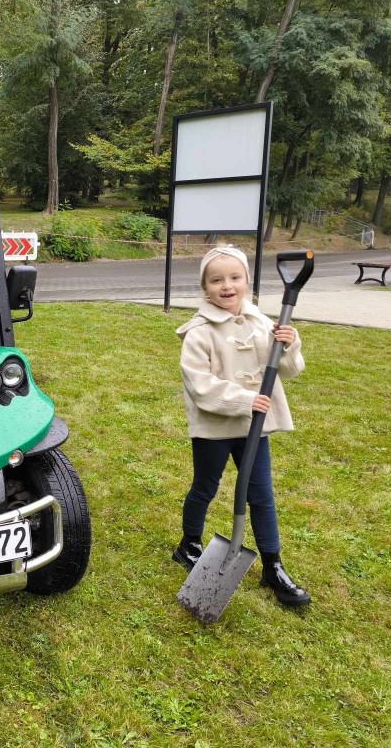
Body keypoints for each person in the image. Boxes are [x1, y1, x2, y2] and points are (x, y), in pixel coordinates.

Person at [173, 245, 310, 606]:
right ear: (205, 287)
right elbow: (199, 385)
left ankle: (273, 564)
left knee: (261, 495)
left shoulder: (263, 323)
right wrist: (245, 400)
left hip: (254, 428)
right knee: (205, 486)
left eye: (235, 277)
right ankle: (188, 543)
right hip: (215, 428)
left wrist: (290, 345)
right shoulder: (199, 332)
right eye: (216, 279)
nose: (227, 285)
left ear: (247, 280)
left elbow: (290, 370)